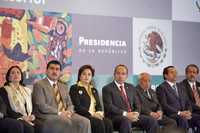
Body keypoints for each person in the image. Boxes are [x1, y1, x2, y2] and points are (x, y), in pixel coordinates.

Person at [32, 60, 91, 133]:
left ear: (60, 72)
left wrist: (69, 112)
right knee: (65, 122)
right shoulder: (39, 85)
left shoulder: (63, 86)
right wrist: (60, 113)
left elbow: (70, 104)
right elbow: (41, 106)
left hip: (65, 114)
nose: (54, 71)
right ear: (46, 71)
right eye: (52, 68)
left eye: (57, 69)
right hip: (48, 115)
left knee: (85, 122)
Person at [102, 64, 159, 133]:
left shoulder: (131, 87)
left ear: (126, 76)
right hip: (116, 118)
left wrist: (136, 113)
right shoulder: (107, 88)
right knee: (126, 120)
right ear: (114, 75)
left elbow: (137, 104)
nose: (120, 76)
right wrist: (126, 114)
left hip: (132, 116)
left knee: (152, 121)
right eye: (118, 73)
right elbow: (109, 107)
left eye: (123, 74)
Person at [69, 65, 113, 133]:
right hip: (83, 115)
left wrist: (99, 113)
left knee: (108, 122)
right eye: (84, 74)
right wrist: (92, 114)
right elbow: (77, 106)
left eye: (89, 74)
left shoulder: (94, 90)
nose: (86, 76)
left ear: (91, 77)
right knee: (98, 123)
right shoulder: (74, 88)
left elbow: (98, 105)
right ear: (79, 76)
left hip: (95, 115)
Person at [156, 66, 200, 133]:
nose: (175, 74)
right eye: (172, 72)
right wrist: (180, 113)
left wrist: (189, 111)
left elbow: (187, 102)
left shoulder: (180, 86)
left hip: (184, 113)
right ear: (166, 75)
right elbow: (164, 105)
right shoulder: (161, 87)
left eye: (176, 72)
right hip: (171, 114)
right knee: (183, 119)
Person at [0, 66, 35, 133]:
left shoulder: (28, 90)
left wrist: (33, 116)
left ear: (21, 76)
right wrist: (22, 117)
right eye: (12, 73)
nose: (16, 74)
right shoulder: (4, 90)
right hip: (14, 117)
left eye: (18, 72)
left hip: (29, 117)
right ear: (8, 77)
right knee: (29, 129)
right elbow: (7, 108)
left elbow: (34, 105)